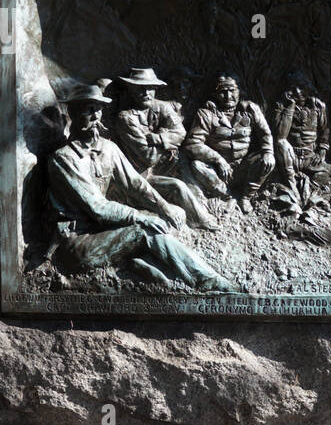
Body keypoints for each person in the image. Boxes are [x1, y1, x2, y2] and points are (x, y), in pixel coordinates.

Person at [47, 84, 233, 291]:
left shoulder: (108, 148)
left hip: (108, 231)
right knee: (144, 229)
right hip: (79, 243)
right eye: (88, 110)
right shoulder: (64, 159)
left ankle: (151, 269)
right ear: (73, 113)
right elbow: (97, 207)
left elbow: (135, 184)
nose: (95, 116)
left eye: (98, 109)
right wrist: (141, 216)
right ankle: (208, 282)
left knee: (159, 221)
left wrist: (164, 208)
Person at [111, 66, 215, 229]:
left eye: (150, 88)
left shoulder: (161, 107)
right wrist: (169, 143)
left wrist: (157, 137)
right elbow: (148, 156)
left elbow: (181, 133)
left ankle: (206, 202)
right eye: (140, 89)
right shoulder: (126, 118)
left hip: (164, 164)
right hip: (140, 175)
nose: (146, 93)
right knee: (177, 186)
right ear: (131, 89)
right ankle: (198, 220)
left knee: (186, 162)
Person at [182, 72, 275, 213]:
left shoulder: (250, 109)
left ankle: (245, 197)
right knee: (197, 165)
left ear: (240, 91)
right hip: (218, 171)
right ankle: (228, 195)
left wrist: (268, 152)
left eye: (232, 90)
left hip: (244, 166)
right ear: (215, 94)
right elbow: (192, 144)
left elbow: (265, 134)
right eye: (222, 91)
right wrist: (218, 160)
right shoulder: (206, 114)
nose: (228, 96)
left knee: (267, 159)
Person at [270, 69, 331, 218]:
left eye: (301, 87)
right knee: (281, 147)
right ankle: (292, 186)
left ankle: (305, 191)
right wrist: (290, 106)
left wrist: (322, 149)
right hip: (289, 155)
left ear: (308, 87)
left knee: (329, 174)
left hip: (309, 155)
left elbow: (325, 129)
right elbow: (280, 134)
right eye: (293, 88)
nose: (298, 92)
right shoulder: (281, 106)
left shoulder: (318, 106)